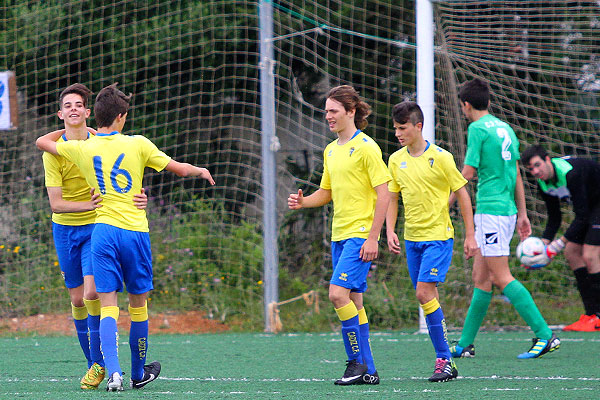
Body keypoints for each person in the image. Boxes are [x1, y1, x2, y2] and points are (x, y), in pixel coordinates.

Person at [37, 83, 215, 391]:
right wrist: (198, 170)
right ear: (122, 117)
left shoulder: (83, 148)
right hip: (132, 232)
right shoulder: (139, 143)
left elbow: (43, 142)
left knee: (106, 303)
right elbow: (178, 169)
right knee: (137, 304)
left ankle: (114, 373)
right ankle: (135, 373)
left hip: (102, 231)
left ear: (95, 115)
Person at [42, 83, 148, 390]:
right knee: (77, 298)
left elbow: (125, 178)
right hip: (64, 228)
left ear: (89, 113)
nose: (74, 108)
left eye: (79, 104)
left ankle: (103, 363)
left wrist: (140, 197)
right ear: (60, 113)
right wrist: (87, 202)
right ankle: (95, 364)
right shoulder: (55, 150)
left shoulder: (102, 142)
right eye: (68, 105)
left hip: (97, 227)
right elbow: (56, 203)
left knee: (92, 294)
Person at [449, 78, 560, 360]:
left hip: (492, 212)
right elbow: (516, 174)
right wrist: (522, 213)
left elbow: (468, 172)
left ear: (465, 105)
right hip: (507, 211)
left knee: (500, 276)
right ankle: (464, 345)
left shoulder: (476, 129)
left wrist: (445, 203)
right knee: (480, 278)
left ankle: (545, 335)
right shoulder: (506, 128)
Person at [288, 85, 390, 385]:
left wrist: (373, 237)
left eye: (333, 111)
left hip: (360, 235)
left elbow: (384, 194)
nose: (328, 116)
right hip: (340, 235)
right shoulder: (331, 149)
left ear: (351, 111)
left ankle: (355, 363)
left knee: (337, 294)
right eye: (326, 112)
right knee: (355, 302)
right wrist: (304, 201)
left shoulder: (367, 147)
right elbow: (326, 192)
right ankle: (368, 371)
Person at [385, 101, 478, 382]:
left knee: (424, 293)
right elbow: (392, 197)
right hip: (411, 240)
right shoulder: (395, 159)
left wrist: (470, 234)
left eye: (402, 128)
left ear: (418, 126)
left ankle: (443, 359)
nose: (398, 134)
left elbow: (461, 193)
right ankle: (447, 360)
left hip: (438, 237)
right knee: (428, 297)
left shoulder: (441, 157)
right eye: (395, 129)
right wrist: (389, 230)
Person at [521, 145, 600, 331]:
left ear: (548, 160)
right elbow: (555, 218)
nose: (535, 171)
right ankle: (590, 315)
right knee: (572, 252)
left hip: (597, 206)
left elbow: (581, 216)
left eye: (537, 165)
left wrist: (556, 246)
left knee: (590, 255)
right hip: (590, 210)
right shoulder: (543, 182)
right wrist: (541, 248)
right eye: (531, 169)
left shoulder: (571, 173)